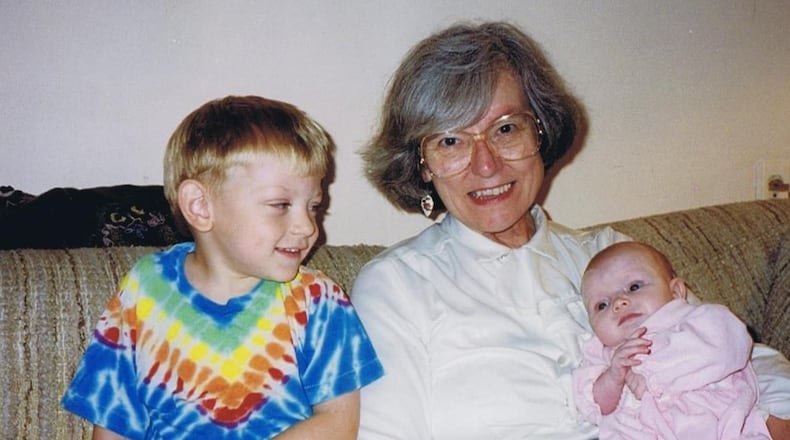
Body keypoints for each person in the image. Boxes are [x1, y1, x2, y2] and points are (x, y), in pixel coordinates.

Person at [352, 20, 790, 439]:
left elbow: (749, 360)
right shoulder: (396, 287)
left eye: (506, 129)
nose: (485, 165)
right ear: (421, 164)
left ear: (541, 133)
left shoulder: (613, 257)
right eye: (450, 141)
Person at [61, 95, 384, 439]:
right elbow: (114, 421)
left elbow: (338, 422)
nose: (307, 226)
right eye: (280, 204)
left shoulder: (319, 301)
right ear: (200, 206)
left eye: (314, 206)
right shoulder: (145, 288)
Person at [572, 241, 770, 439]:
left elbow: (724, 347)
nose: (618, 303)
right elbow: (593, 405)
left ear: (675, 292)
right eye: (601, 305)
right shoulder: (602, 354)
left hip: (720, 424)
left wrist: (652, 374)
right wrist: (613, 377)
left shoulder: (697, 319)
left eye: (633, 287)